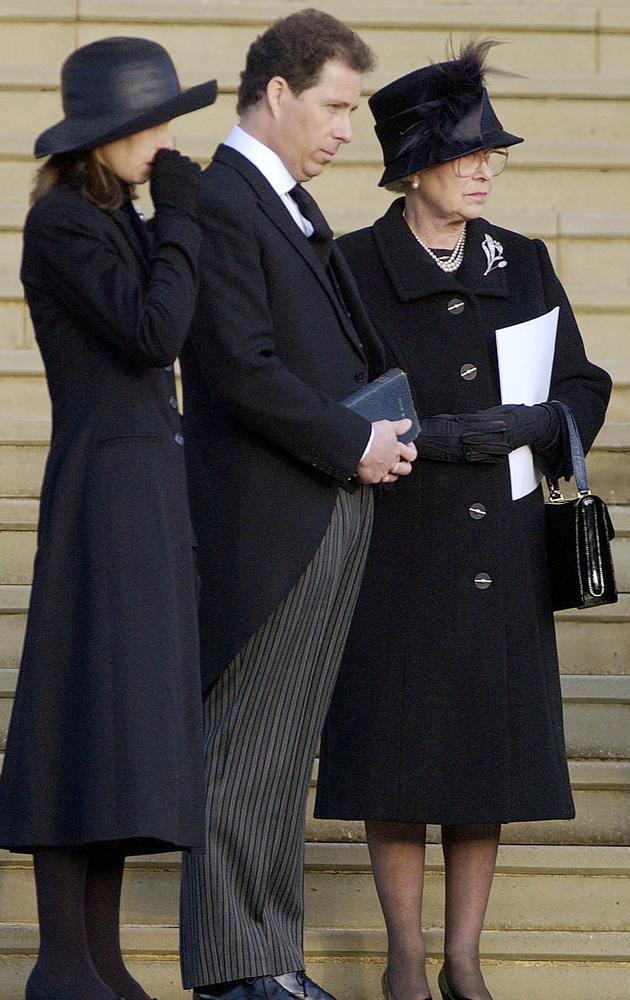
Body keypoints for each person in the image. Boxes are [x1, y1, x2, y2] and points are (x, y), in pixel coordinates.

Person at [315, 40, 612, 1000]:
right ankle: (406, 959)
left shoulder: (521, 261)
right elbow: (324, 396)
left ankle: (464, 962)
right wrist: (438, 436)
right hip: (395, 544)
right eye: (464, 153)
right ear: (411, 168)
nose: (485, 168)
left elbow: (581, 379)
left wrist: (546, 421)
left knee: (485, 763)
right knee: (400, 760)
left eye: (493, 153)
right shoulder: (352, 266)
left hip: (504, 544)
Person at [178, 9, 416, 1000]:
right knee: (244, 755)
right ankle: (238, 971)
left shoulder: (279, 199)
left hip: (321, 505)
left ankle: (269, 958)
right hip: (268, 517)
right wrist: (347, 438)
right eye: (336, 106)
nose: (347, 130)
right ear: (276, 93)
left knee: (281, 758)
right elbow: (238, 365)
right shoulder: (221, 198)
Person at [0, 37, 217, 1000]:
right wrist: (181, 220)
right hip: (103, 489)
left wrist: (173, 223)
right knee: (81, 703)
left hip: (146, 488)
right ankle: (62, 960)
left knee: (123, 717)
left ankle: (97, 958)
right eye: (154, 123)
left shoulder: (119, 218)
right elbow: (150, 331)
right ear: (110, 134)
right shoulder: (63, 225)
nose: (166, 140)